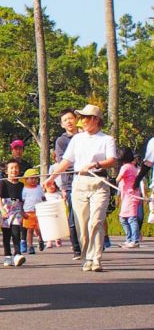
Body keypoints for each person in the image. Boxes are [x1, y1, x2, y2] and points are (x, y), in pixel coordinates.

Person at [46, 104, 117, 272]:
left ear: (95, 119)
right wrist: (51, 177)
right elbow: (66, 161)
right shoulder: (77, 139)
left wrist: (96, 164)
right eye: (81, 117)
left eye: (85, 117)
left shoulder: (107, 139)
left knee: (96, 222)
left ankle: (96, 258)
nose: (82, 121)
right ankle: (87, 257)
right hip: (79, 183)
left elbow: (112, 160)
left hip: (99, 183)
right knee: (82, 224)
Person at [54, 109, 81, 260]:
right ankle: (76, 247)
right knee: (73, 215)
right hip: (71, 183)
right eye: (65, 120)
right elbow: (62, 163)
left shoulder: (84, 137)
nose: (69, 122)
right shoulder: (61, 141)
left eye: (71, 118)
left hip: (89, 179)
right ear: (62, 124)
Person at [0, 158, 26, 268]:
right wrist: (2, 209)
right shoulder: (3, 183)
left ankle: (17, 254)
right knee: (6, 235)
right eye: (12, 168)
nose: (14, 170)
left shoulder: (21, 185)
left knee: (16, 232)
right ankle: (7, 256)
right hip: (6, 209)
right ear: (6, 171)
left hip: (17, 210)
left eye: (16, 168)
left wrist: (23, 212)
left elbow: (22, 200)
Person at [116, 147, 141, 248]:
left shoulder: (126, 167)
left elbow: (118, 179)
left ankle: (134, 240)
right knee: (123, 218)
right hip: (128, 195)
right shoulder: (131, 166)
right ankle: (129, 239)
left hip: (131, 195)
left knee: (131, 218)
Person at [21, 169, 45, 255]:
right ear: (26, 179)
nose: (34, 180)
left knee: (38, 229)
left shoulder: (39, 188)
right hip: (28, 212)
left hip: (39, 211)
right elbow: (22, 201)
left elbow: (43, 198)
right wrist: (22, 212)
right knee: (29, 230)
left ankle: (40, 239)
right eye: (31, 178)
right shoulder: (24, 189)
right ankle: (30, 246)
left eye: (35, 178)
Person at [43, 180, 63, 248]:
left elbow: (61, 202)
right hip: (48, 214)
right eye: (48, 185)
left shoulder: (58, 194)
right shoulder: (44, 195)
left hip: (57, 213)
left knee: (57, 226)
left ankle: (58, 238)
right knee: (49, 227)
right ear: (45, 187)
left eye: (52, 185)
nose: (51, 187)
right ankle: (49, 241)